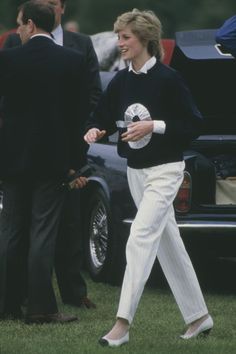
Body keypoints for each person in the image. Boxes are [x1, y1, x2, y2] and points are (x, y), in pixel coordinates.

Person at [84, 9, 213, 347]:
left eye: (125, 37)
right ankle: (199, 317)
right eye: (119, 37)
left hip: (166, 171)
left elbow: (194, 125)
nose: (120, 43)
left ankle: (121, 324)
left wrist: (153, 125)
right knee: (169, 244)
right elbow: (105, 117)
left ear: (145, 39)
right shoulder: (122, 81)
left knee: (139, 236)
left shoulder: (170, 79)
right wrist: (96, 129)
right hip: (135, 173)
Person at [3, 0, 102, 309]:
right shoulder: (71, 61)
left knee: (11, 231)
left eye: (20, 24)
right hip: (52, 161)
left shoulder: (7, 59)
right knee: (43, 234)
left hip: (12, 159)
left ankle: (6, 304)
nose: (18, 29)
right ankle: (41, 308)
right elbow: (77, 117)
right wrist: (75, 164)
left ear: (31, 25)